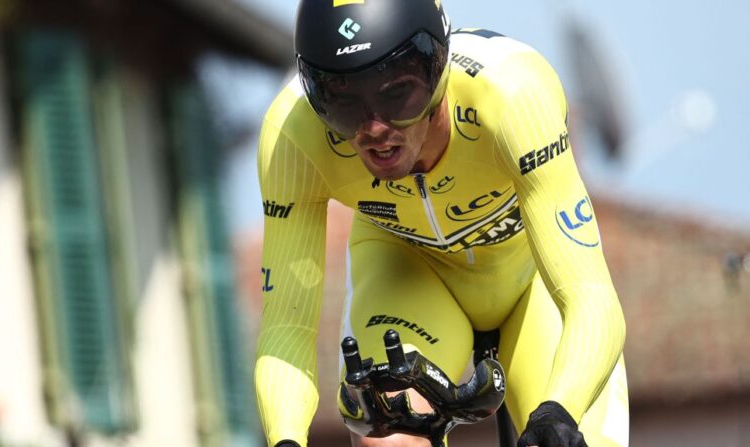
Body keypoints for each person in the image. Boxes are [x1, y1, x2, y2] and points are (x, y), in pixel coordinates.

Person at [255, 0, 629, 446]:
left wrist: (559, 412)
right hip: (406, 274)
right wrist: (286, 438)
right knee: (389, 437)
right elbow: (286, 329)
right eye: (344, 103)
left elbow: (590, 297)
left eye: (397, 94)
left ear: (438, 70)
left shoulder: (513, 95)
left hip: (532, 279)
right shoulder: (291, 138)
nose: (374, 128)